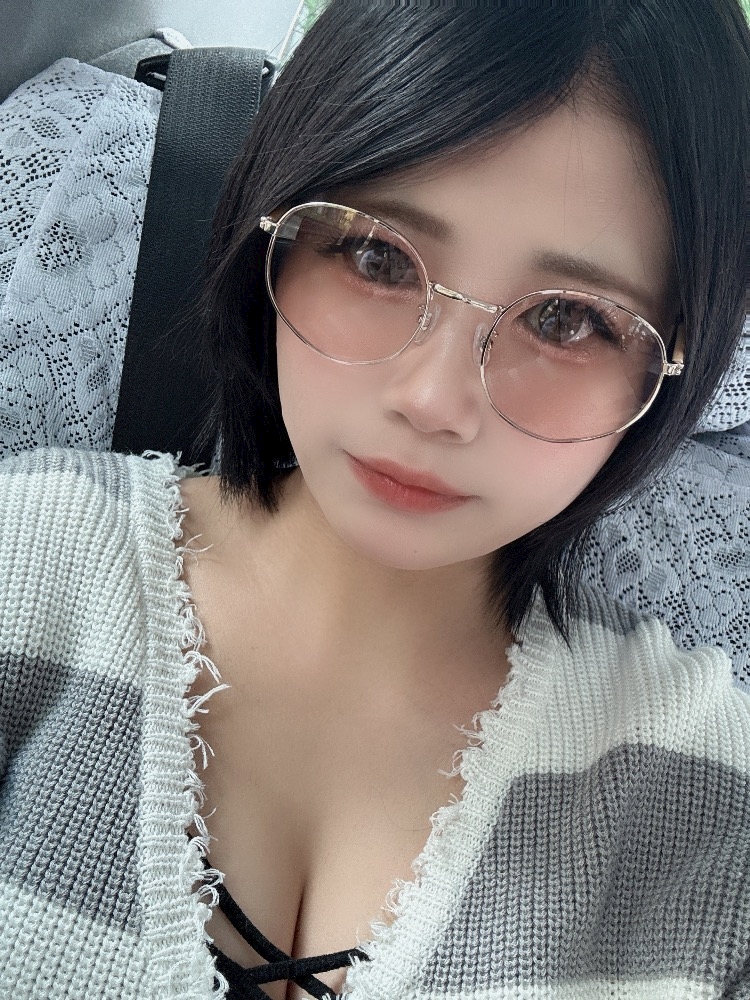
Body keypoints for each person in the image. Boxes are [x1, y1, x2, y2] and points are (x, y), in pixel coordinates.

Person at [0, 2, 749, 998]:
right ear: (276, 220)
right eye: (377, 257)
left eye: (568, 321)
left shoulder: (708, 794)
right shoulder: (26, 561)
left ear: (676, 356)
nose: (434, 401)